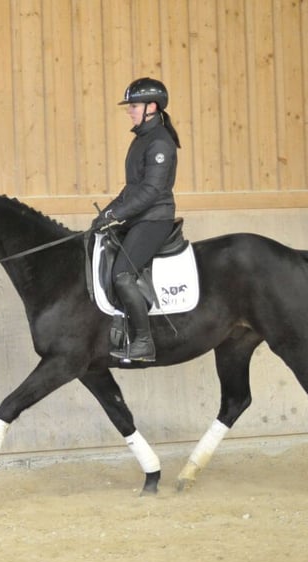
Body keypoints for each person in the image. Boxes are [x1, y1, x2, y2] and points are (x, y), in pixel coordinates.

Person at [91, 77, 181, 362]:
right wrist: (107, 213)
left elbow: (152, 190)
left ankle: (143, 342)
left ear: (151, 107)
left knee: (122, 274)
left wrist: (117, 214)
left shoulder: (160, 143)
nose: (129, 111)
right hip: (139, 217)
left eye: (134, 106)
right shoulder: (142, 140)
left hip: (154, 219)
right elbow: (133, 188)